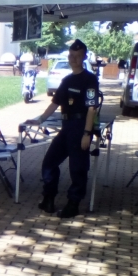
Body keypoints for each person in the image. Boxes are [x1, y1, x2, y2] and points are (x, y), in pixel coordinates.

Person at [27, 39, 98, 219]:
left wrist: (87, 133)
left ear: (84, 57)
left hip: (80, 127)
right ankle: (48, 199)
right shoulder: (67, 80)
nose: (73, 59)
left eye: (77, 56)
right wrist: (40, 119)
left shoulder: (90, 79)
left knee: (77, 168)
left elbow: (92, 108)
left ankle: (73, 204)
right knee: (49, 163)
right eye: (71, 55)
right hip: (66, 127)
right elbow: (55, 103)